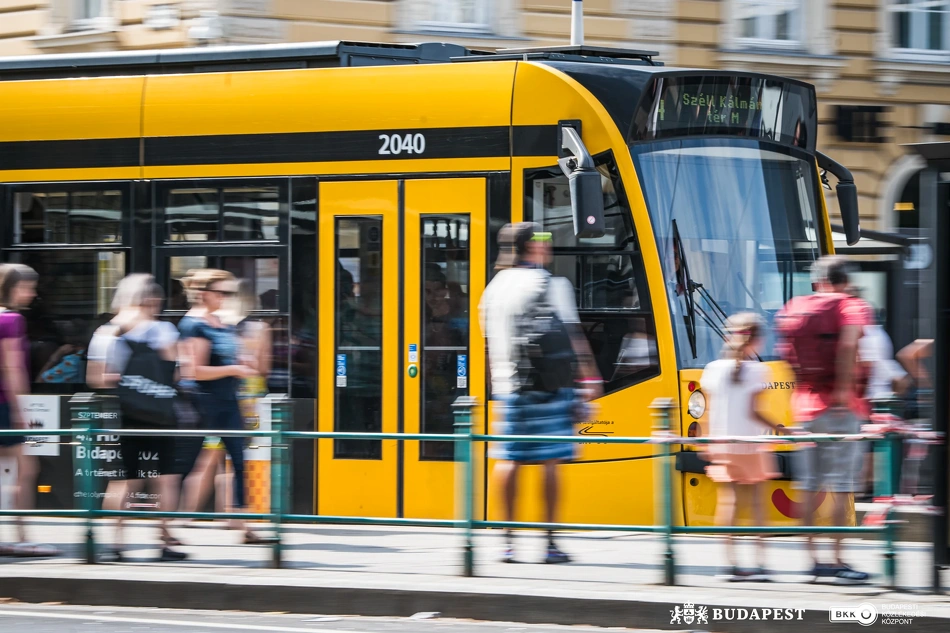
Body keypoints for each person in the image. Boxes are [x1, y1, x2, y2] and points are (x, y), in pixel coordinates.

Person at [479, 222, 602, 564]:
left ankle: (507, 542)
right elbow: (575, 336)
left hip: (510, 388)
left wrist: (499, 386)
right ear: (531, 247)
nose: (548, 246)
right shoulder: (551, 283)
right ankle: (549, 543)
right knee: (550, 461)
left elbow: (489, 346)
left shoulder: (493, 289)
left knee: (510, 460)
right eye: (544, 240)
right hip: (549, 387)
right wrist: (589, 377)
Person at [775, 256, 870, 584]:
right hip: (841, 409)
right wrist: (843, 393)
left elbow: (787, 354)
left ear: (818, 281)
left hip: (804, 406)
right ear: (845, 280)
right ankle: (838, 560)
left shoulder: (794, 306)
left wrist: (802, 390)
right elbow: (848, 346)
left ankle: (814, 560)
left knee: (809, 485)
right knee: (842, 486)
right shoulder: (850, 306)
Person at [86, 274, 186, 561]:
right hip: (162, 414)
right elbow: (176, 373)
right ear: (152, 299)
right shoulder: (164, 329)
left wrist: (125, 380)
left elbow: (96, 379)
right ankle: (164, 541)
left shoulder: (107, 332)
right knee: (165, 478)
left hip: (128, 413)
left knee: (124, 479)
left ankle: (116, 543)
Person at [177, 270, 270, 543]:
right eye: (222, 293)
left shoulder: (222, 322)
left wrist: (244, 363)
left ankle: (243, 526)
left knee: (240, 463)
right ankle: (168, 526)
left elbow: (236, 358)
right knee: (189, 464)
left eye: (229, 293)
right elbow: (193, 371)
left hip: (229, 401)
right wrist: (234, 368)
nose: (226, 298)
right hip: (203, 403)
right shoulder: (193, 325)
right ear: (203, 293)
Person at [701, 313, 784, 582]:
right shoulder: (759, 370)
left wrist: (705, 440)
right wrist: (782, 428)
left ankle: (729, 565)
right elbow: (754, 413)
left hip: (722, 443)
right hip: (751, 443)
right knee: (759, 503)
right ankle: (759, 564)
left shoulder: (712, 369)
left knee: (729, 502)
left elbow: (706, 411)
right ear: (756, 341)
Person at [0, 264, 59, 557]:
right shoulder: (11, 320)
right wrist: (21, 409)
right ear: (10, 288)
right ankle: (20, 537)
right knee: (26, 470)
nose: (33, 294)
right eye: (27, 287)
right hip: (4, 405)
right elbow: (12, 368)